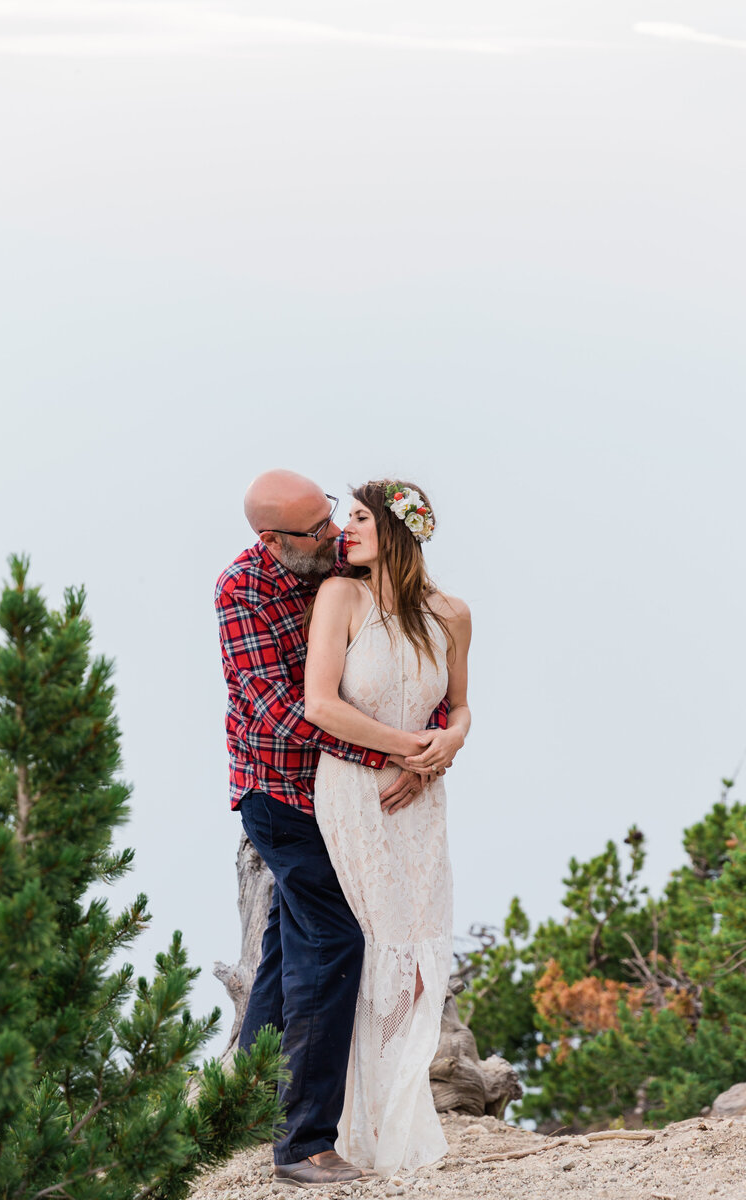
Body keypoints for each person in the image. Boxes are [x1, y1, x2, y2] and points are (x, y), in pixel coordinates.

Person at [214, 470, 454, 1189]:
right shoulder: (244, 589)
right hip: (280, 793)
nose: (331, 534)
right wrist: (389, 752)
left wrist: (429, 745)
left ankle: (238, 1113)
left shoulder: (345, 571)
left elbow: (410, 670)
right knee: (334, 939)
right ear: (272, 539)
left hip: (344, 793)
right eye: (315, 530)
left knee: (290, 955)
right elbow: (283, 711)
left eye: (332, 519)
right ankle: (304, 1143)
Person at [304, 479, 471, 1177]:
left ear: (401, 529)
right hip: (354, 794)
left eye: (363, 517)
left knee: (417, 971)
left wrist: (447, 748)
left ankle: (394, 1124)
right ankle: (340, 1131)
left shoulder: (453, 614)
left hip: (420, 803)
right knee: (369, 954)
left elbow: (460, 708)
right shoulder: (341, 598)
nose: (347, 528)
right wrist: (412, 750)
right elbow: (320, 705)